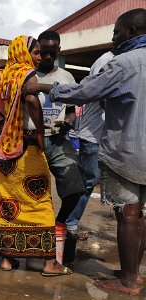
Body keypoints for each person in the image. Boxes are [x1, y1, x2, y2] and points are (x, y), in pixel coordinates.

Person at [22, 8, 146, 294]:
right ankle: (133, 272)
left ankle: (127, 281)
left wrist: (41, 87)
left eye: (116, 32)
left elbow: (84, 93)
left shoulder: (123, 63)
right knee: (140, 214)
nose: (113, 38)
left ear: (131, 32)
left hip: (128, 151)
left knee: (127, 213)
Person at [0, 35, 71, 276]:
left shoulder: (2, 77)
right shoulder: (24, 74)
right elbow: (31, 98)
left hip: (2, 152)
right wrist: (40, 133)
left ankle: (7, 260)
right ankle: (50, 263)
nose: (39, 57)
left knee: (7, 204)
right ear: (23, 53)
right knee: (39, 202)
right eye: (36, 52)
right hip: (25, 148)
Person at [35, 30, 86, 262]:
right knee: (30, 191)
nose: (46, 56)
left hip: (57, 139)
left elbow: (74, 108)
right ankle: (31, 237)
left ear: (58, 51)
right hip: (30, 141)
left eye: (51, 52)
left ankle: (60, 222)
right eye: (42, 51)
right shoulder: (26, 75)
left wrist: (68, 121)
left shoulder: (66, 77)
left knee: (75, 186)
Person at [66, 50, 114, 232]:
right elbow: (101, 97)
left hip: (110, 136)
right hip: (93, 134)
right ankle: (69, 222)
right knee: (88, 181)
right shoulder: (106, 61)